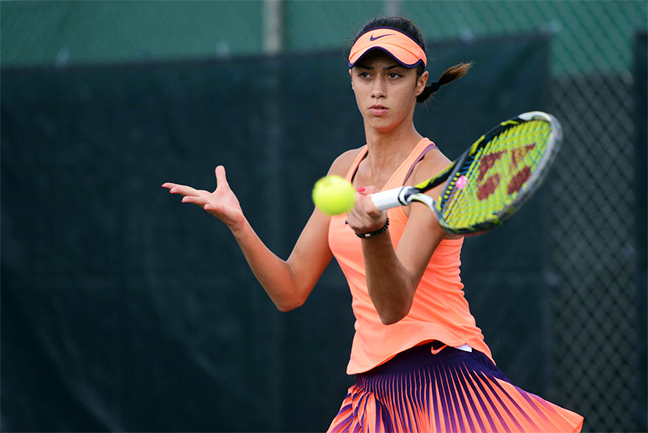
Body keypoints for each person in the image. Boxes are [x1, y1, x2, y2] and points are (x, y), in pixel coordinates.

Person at [162, 16, 584, 433]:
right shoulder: (344, 168)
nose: (378, 89)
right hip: (373, 390)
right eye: (365, 74)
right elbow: (289, 290)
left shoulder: (434, 176)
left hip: (444, 377)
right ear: (352, 81)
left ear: (419, 82)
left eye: (394, 75)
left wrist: (372, 234)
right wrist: (239, 225)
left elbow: (393, 307)